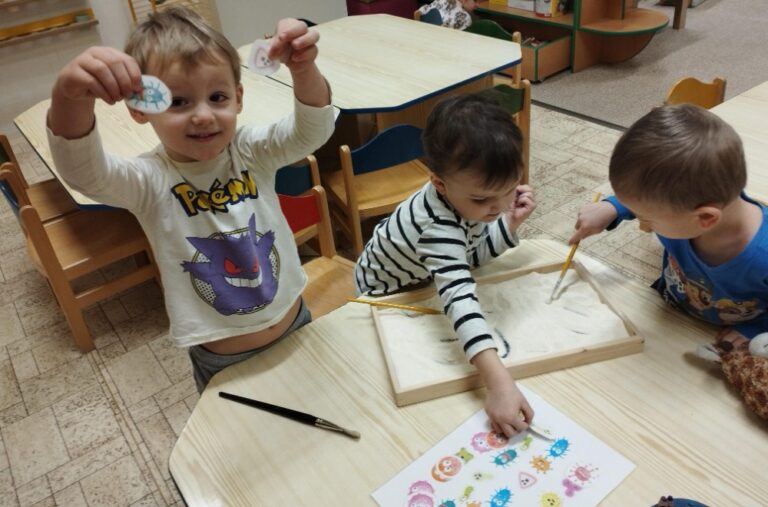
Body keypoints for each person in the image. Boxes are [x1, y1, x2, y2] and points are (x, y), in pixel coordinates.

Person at [46, 7, 335, 392]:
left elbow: (312, 130)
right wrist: (69, 97)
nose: (202, 116)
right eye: (179, 102)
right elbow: (84, 173)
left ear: (237, 98)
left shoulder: (250, 151)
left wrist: (303, 68)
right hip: (227, 362)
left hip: (296, 325)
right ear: (139, 109)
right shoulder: (150, 180)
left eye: (217, 97)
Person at [355, 93, 537, 437]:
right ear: (439, 184)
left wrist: (508, 226)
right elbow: (457, 296)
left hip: (423, 276)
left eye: (510, 190)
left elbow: (469, 256)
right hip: (384, 295)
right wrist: (498, 383)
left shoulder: (466, 205)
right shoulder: (437, 229)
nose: (498, 207)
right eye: (483, 199)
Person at [570, 104, 768, 348]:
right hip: (667, 309)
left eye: (647, 220)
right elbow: (651, 198)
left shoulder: (763, 257)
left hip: (722, 336)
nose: (644, 222)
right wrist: (614, 207)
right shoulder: (692, 209)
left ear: (706, 218)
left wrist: (755, 328)